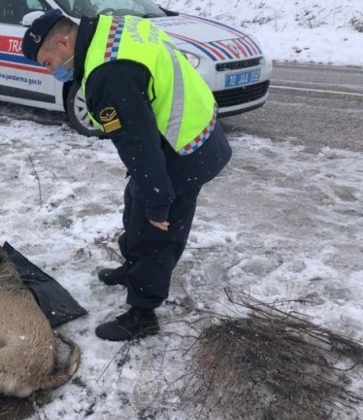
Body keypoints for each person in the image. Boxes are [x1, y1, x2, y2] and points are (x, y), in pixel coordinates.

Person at [23, 10, 232, 341]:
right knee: (134, 200)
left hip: (186, 147)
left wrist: (159, 202)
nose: (52, 72)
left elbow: (139, 145)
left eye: (48, 62)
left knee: (156, 231)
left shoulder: (109, 76)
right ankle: (131, 267)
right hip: (187, 125)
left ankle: (143, 312)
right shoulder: (109, 28)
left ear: (64, 41)